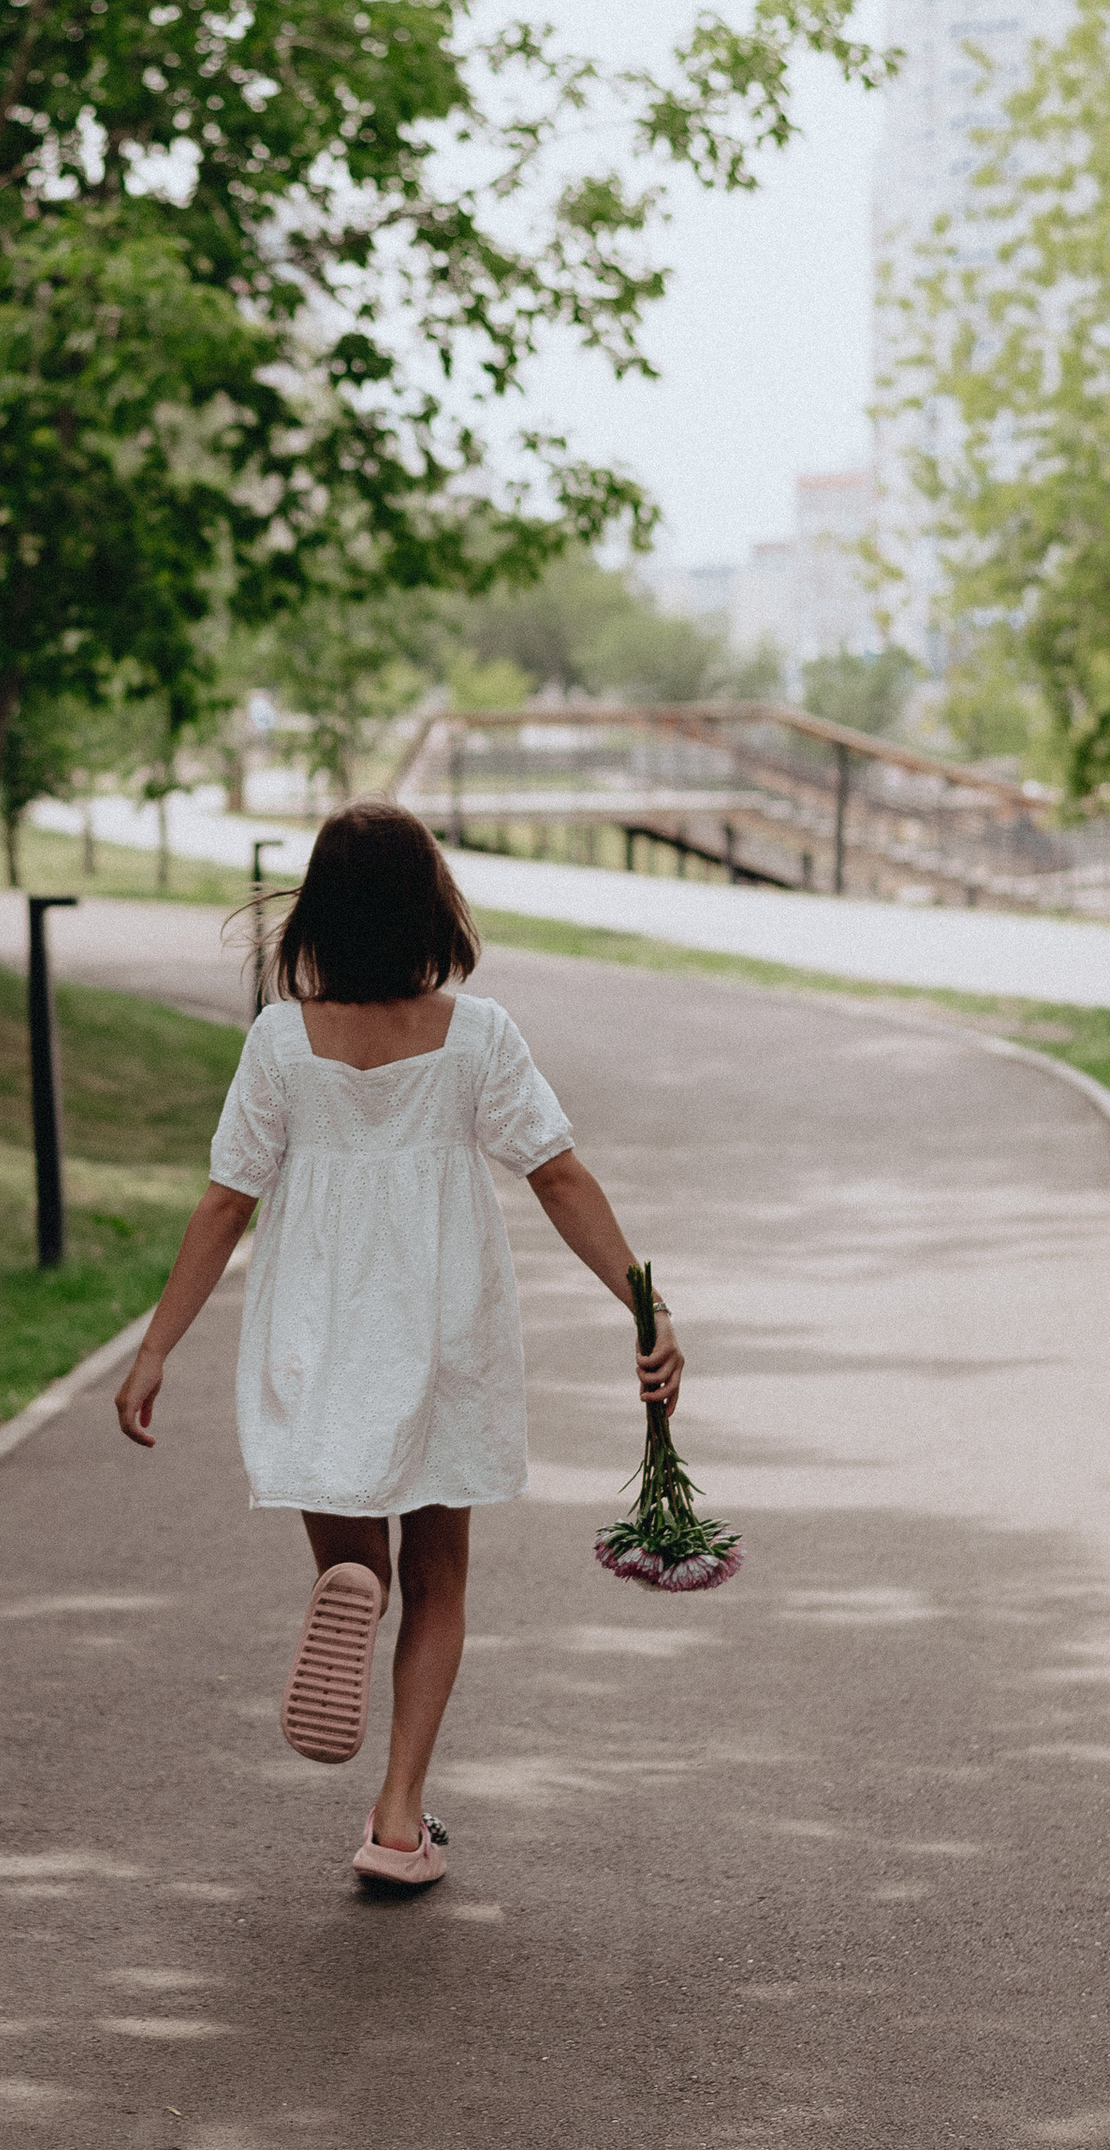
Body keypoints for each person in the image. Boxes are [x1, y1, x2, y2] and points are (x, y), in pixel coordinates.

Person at [112, 802, 685, 1891]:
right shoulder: (476, 1035)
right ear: (433, 905)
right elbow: (556, 1173)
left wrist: (154, 1354)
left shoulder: (282, 1041)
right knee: (440, 1579)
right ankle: (397, 1817)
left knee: (354, 1553)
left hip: (314, 1333)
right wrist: (643, 1304)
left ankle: (347, 1582)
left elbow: (223, 1204)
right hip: (438, 1328)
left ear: (318, 909)